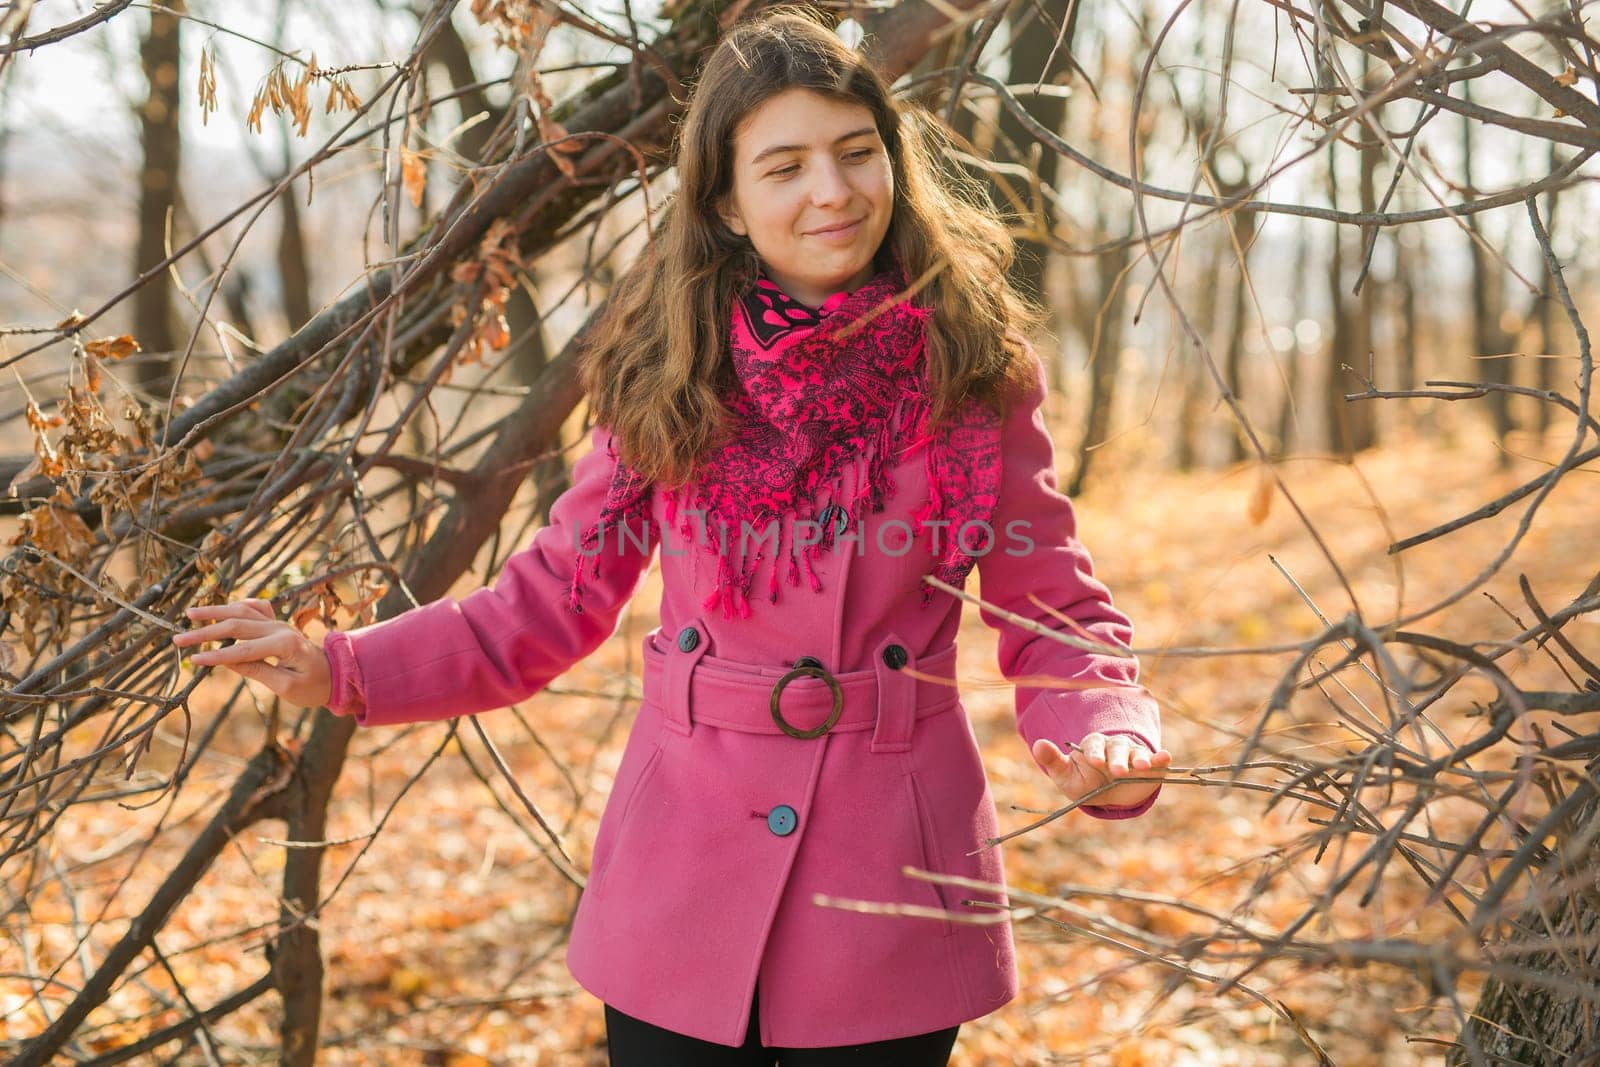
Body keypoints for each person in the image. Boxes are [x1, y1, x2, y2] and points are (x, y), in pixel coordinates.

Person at [172, 8, 1173, 1064]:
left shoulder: (974, 367)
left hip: (894, 876)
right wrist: (338, 663)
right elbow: (547, 602)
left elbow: (1052, 601)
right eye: (782, 166)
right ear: (729, 205)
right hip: (682, 871)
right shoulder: (666, 371)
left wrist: (1107, 722)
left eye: (855, 152)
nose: (830, 190)